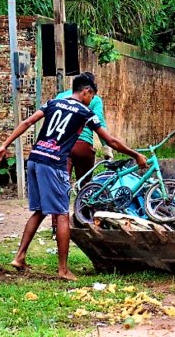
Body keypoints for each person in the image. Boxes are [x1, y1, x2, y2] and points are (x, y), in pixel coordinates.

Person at [0, 73, 147, 280]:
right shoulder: (85, 112)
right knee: (62, 214)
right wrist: (135, 154)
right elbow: (110, 141)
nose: (91, 100)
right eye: (91, 96)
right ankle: (63, 269)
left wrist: (4, 145)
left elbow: (28, 122)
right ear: (86, 91)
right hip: (54, 164)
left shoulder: (53, 102)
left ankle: (19, 257)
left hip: (35, 159)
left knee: (39, 210)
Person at [51, 71, 112, 238]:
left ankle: (56, 227)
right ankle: (82, 219)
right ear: (88, 89)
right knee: (85, 185)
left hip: (61, 146)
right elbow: (99, 121)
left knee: (60, 186)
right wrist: (107, 148)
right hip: (83, 146)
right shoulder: (94, 99)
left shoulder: (61, 97)